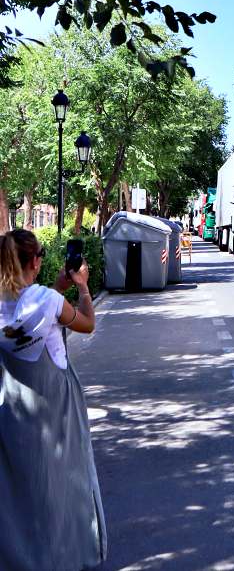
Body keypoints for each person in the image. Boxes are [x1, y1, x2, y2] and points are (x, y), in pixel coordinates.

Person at [0, 229, 106, 570]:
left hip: (13, 412)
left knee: (21, 489)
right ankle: (67, 556)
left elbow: (25, 318)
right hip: (55, 408)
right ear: (34, 261)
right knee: (64, 482)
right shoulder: (47, 300)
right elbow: (86, 324)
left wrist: (56, 289)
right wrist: (83, 286)